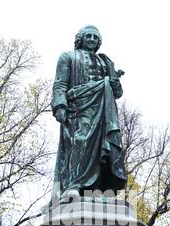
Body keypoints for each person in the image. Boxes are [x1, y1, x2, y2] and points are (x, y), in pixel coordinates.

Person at [51, 25, 126, 202]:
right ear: (81, 39)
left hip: (103, 108)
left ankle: (98, 189)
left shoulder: (105, 62)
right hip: (79, 106)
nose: (92, 39)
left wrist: (114, 82)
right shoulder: (67, 56)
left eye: (95, 37)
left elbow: (118, 93)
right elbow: (60, 84)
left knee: (103, 146)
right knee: (80, 141)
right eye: (88, 36)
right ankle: (74, 186)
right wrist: (59, 105)